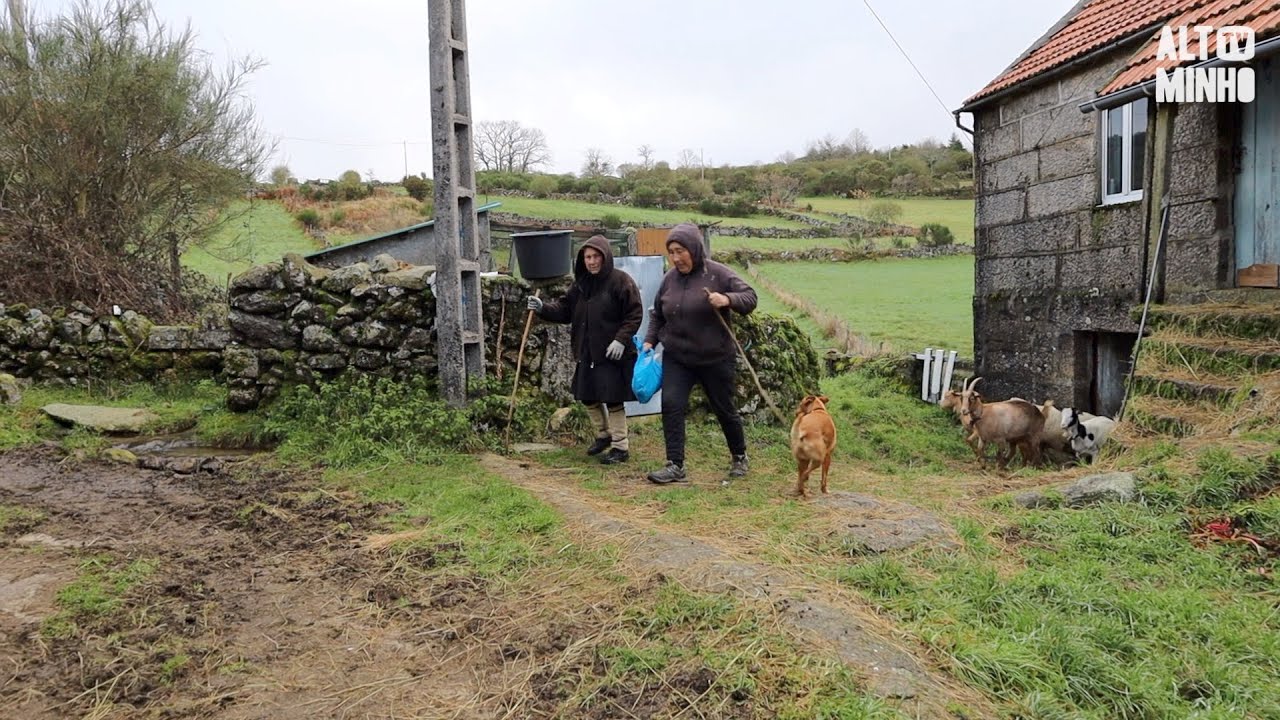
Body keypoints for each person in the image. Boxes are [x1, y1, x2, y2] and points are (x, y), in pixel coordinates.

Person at [642, 223, 757, 484]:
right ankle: (675, 464)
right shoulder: (669, 279)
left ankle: (739, 456)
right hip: (678, 356)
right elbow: (657, 314)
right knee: (671, 404)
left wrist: (727, 299)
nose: (675, 258)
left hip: (715, 357)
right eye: (671, 252)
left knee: (724, 408)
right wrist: (650, 341)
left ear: (694, 248)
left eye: (680, 251)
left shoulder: (717, 273)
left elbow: (750, 297)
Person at [527, 235, 643, 465]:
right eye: (587, 257)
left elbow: (634, 314)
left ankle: (621, 447)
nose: (591, 262)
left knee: (613, 399)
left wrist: (620, 340)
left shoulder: (621, 282)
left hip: (613, 353)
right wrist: (543, 308)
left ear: (605, 257)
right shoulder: (580, 285)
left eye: (596, 256)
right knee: (587, 395)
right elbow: (564, 310)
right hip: (587, 351)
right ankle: (603, 436)